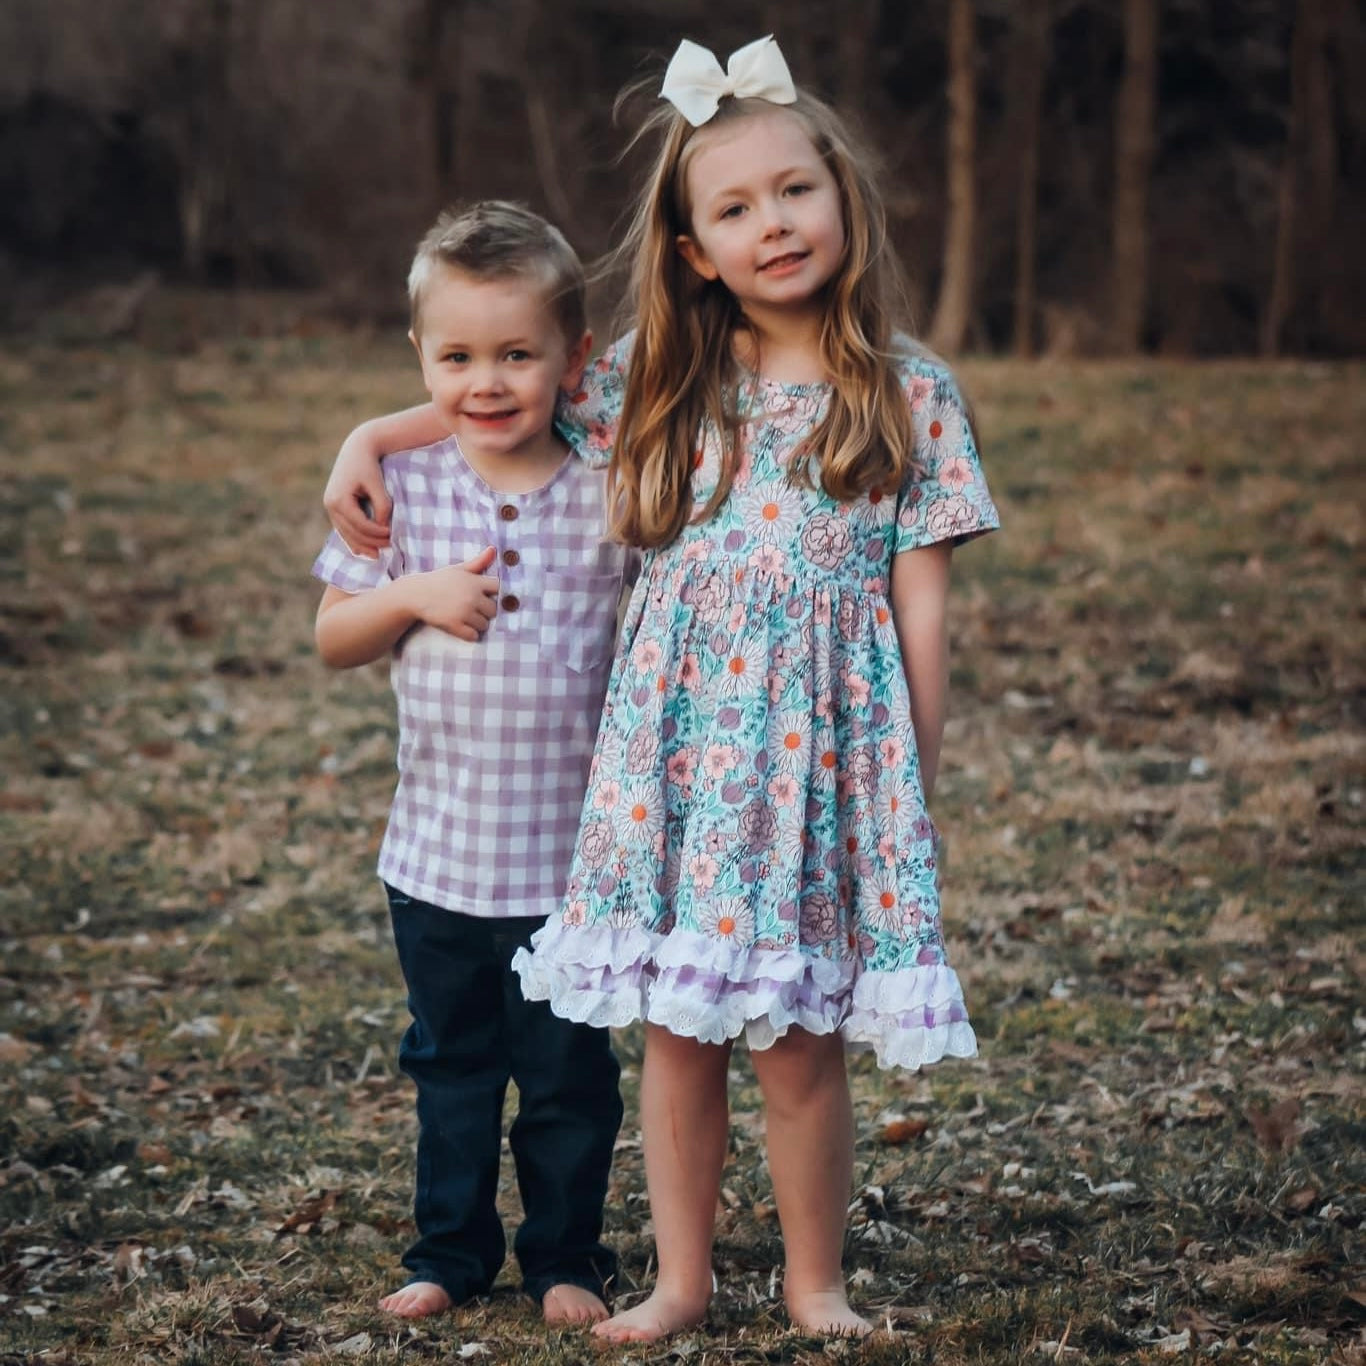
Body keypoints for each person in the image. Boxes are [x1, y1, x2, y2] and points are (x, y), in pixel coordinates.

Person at [323, 37, 999, 1343]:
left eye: (793, 191)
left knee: (798, 1045)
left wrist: (911, 772)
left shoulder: (908, 391)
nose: (772, 223)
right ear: (691, 248)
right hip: (673, 770)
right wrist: (369, 434)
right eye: (733, 207)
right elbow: (497, 392)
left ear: (842, 199)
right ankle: (678, 1282)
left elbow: (922, 596)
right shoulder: (659, 376)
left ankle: (815, 1282)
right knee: (678, 1040)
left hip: (816, 766)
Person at [312, 200, 632, 1326]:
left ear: (572, 360)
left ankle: (565, 1260)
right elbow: (332, 638)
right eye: (456, 357)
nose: (485, 382)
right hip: (436, 857)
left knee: (566, 1083)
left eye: (515, 355)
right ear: (420, 358)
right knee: (450, 1069)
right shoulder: (405, 493)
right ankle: (448, 1249)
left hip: (569, 867)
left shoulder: (608, 489)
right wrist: (411, 593)